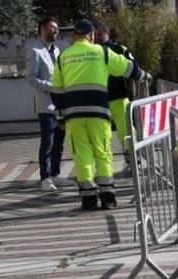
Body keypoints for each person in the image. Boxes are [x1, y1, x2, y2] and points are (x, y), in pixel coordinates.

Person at [51, 19, 148, 211]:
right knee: (103, 153)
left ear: (74, 36)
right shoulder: (102, 53)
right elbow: (128, 68)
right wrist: (144, 75)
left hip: (73, 115)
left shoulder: (63, 56)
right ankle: (107, 197)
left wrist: (60, 117)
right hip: (98, 112)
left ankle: (88, 198)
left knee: (81, 155)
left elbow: (56, 91)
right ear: (92, 35)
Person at [25, 16, 69, 193]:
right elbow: (30, 78)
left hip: (60, 103)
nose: (55, 31)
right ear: (41, 29)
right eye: (51, 28)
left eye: (57, 28)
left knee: (60, 140)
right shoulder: (34, 50)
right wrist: (51, 87)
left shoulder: (57, 50)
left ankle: (55, 173)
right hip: (45, 104)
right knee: (48, 141)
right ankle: (45, 177)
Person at [93, 19, 136, 178]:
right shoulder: (90, 52)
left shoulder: (119, 49)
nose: (97, 37)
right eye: (94, 34)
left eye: (100, 33)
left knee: (127, 134)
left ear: (107, 34)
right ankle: (104, 169)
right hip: (100, 101)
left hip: (119, 99)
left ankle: (133, 163)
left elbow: (133, 68)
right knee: (101, 137)